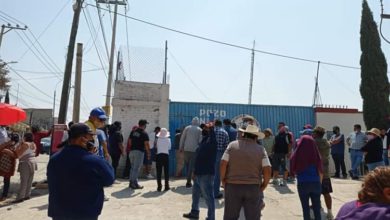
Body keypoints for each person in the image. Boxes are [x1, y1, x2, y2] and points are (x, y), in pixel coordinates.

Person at [47, 123, 115, 220]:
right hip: (85, 213)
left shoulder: (54, 159)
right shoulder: (95, 161)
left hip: (59, 212)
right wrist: (97, 157)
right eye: (90, 137)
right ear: (82, 139)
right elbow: (109, 179)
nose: (92, 140)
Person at [220, 124, 271, 220]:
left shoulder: (232, 145)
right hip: (253, 187)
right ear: (256, 137)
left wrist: (223, 180)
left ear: (243, 134)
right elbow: (267, 169)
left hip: (232, 186)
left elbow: (223, 163)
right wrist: (264, 185)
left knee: (230, 217)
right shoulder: (261, 150)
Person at [183, 122, 217, 220]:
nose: (203, 130)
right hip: (198, 173)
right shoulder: (203, 141)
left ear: (211, 131)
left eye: (206, 129)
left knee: (208, 197)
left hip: (206, 174)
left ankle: (211, 217)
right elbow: (198, 157)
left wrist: (211, 128)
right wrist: (194, 170)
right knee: (195, 194)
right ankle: (194, 212)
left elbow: (212, 137)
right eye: (204, 128)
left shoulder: (212, 142)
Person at [290, 135, 323, 220]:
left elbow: (292, 167)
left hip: (303, 183)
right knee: (317, 209)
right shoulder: (316, 154)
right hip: (316, 183)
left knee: (305, 209)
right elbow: (320, 171)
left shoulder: (297, 154)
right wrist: (319, 183)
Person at [313, 126, 334, 220]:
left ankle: (318, 209)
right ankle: (329, 212)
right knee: (326, 193)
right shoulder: (326, 143)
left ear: (316, 133)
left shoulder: (313, 143)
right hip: (325, 171)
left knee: (314, 193)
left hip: (314, 171)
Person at [13, 132, 37, 203]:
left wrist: (18, 145)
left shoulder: (25, 144)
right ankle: (27, 195)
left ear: (26, 137)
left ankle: (20, 197)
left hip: (25, 163)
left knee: (24, 180)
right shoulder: (33, 144)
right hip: (33, 162)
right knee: (29, 180)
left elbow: (18, 154)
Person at [179, 117, 202, 188]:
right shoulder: (199, 130)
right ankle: (189, 182)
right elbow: (200, 140)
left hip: (186, 149)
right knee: (192, 166)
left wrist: (181, 147)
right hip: (194, 150)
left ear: (192, 122)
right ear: (198, 122)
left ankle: (189, 179)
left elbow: (182, 138)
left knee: (187, 165)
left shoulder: (187, 128)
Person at [128, 119, 150, 189]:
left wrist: (133, 147)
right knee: (136, 168)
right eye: (146, 125)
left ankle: (132, 182)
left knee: (133, 167)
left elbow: (130, 141)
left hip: (131, 151)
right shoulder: (144, 133)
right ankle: (133, 183)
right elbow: (146, 144)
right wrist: (148, 153)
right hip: (139, 152)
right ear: (144, 125)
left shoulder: (133, 131)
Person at [213, 119, 229, 199]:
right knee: (217, 175)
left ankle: (204, 192)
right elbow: (226, 147)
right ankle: (215, 193)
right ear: (221, 124)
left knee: (207, 174)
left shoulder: (211, 131)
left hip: (209, 153)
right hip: (220, 154)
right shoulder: (224, 132)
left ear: (215, 124)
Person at [0, 134, 17, 201]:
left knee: (6, 181)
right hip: (1, 164)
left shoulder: (16, 147)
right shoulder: (5, 144)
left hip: (8, 167)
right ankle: (4, 195)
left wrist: (8, 151)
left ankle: (4, 195)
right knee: (6, 181)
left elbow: (16, 155)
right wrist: (6, 144)